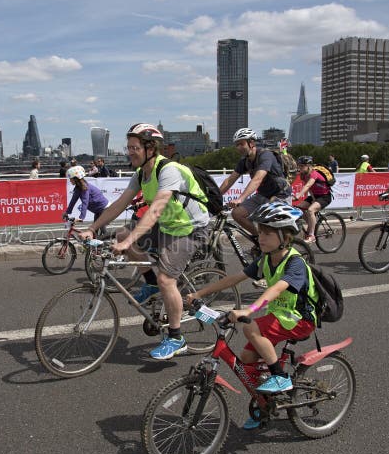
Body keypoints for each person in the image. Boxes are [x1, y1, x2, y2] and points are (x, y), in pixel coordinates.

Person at [78, 123, 210, 360]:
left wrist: (130, 242)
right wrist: (92, 228)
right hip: (169, 224)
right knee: (120, 234)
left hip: (191, 229)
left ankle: (176, 337)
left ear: (151, 148)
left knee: (166, 279)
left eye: (134, 147)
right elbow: (119, 205)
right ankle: (150, 285)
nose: (130, 152)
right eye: (128, 147)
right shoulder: (140, 173)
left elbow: (157, 207)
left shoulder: (168, 170)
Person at [185, 202, 318, 429]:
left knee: (250, 327)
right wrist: (199, 293)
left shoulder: (295, 263)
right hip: (280, 316)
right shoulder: (266, 259)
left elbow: (275, 289)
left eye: (267, 233)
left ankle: (280, 377)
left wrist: (249, 310)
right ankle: (264, 404)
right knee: (247, 361)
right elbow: (235, 278)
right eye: (260, 231)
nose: (260, 237)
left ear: (285, 238)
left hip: (300, 319)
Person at [218, 128, 292, 237]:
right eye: (236, 145)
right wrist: (214, 197)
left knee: (266, 222)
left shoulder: (265, 155)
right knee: (237, 213)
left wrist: (240, 199)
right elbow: (229, 180)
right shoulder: (245, 161)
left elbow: (257, 179)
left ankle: (276, 244)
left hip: (280, 194)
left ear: (251, 143)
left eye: (241, 144)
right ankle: (260, 239)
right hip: (263, 195)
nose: (238, 147)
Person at [292, 156, 332, 243]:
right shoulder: (303, 175)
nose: (300, 168)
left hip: (325, 196)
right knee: (297, 208)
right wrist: (313, 198)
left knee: (310, 210)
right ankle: (311, 224)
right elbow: (310, 189)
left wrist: (298, 195)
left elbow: (308, 185)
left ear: (309, 166)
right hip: (316, 196)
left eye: (302, 166)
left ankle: (312, 235)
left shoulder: (314, 173)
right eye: (299, 166)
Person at [64, 165, 109, 231]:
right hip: (98, 210)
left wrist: (81, 217)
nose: (70, 180)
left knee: (100, 228)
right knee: (94, 231)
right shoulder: (78, 188)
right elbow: (73, 201)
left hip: (104, 208)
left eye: (70, 178)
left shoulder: (85, 188)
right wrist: (67, 212)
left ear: (76, 179)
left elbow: (85, 202)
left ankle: (109, 240)